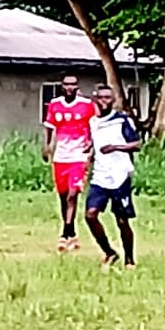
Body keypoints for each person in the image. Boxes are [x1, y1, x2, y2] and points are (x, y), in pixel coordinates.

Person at [85, 85, 141, 270]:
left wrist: (116, 147)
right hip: (100, 176)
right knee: (90, 215)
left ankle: (129, 259)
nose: (104, 101)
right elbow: (95, 144)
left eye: (108, 98)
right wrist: (89, 156)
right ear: (96, 99)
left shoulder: (121, 120)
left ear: (113, 100)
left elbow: (137, 144)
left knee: (122, 220)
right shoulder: (93, 122)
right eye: (101, 97)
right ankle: (109, 252)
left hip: (120, 176)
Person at [43, 74, 95, 252]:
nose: (70, 88)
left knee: (73, 194)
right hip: (60, 157)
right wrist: (47, 146)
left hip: (79, 156)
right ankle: (71, 232)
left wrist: (91, 146)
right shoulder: (55, 105)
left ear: (77, 87)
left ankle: (64, 234)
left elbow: (94, 127)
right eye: (67, 85)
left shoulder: (86, 105)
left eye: (73, 85)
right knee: (63, 197)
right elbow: (49, 127)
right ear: (62, 87)